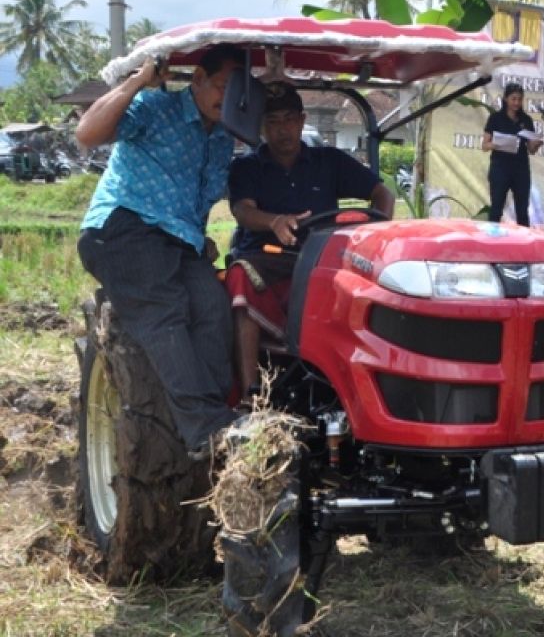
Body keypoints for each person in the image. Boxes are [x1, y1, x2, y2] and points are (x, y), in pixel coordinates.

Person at [75, 45, 244, 460]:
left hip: (179, 241)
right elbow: (87, 135)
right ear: (198, 80)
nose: (228, 97)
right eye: (222, 86)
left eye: (238, 90)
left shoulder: (223, 138)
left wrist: (200, 238)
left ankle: (220, 414)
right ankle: (207, 430)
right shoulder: (155, 106)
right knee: (164, 313)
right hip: (123, 227)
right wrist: (137, 81)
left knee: (212, 307)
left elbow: (199, 199)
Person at [224, 82, 395, 400]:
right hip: (267, 257)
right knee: (239, 275)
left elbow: (382, 193)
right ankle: (250, 394)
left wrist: (377, 229)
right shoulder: (247, 167)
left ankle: (360, 390)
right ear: (262, 127)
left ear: (302, 121)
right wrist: (273, 221)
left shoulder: (328, 161)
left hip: (321, 259)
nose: (282, 130)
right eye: (273, 122)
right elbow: (242, 210)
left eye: (289, 120)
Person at [483, 81, 543, 226]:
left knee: (522, 211)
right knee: (496, 209)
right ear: (506, 99)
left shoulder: (526, 120)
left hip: (520, 169)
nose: (517, 103)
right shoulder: (495, 118)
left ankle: (523, 245)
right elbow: (484, 145)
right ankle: (492, 241)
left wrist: (536, 144)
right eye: (513, 99)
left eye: (519, 99)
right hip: (500, 168)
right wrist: (498, 144)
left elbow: (531, 149)